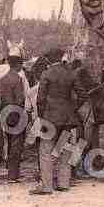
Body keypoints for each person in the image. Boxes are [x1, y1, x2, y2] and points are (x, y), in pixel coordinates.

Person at [30, 48, 80, 195]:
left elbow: (40, 99)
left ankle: (46, 186)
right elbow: (82, 95)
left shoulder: (46, 74)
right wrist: (73, 109)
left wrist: (41, 117)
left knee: (45, 152)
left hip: (49, 119)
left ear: (49, 60)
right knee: (66, 150)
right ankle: (64, 183)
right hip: (68, 119)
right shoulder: (71, 73)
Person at [0, 53, 26, 183]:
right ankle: (13, 175)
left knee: (9, 142)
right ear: (18, 65)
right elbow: (20, 99)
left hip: (4, 113)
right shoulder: (18, 79)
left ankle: (10, 170)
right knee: (17, 145)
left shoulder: (2, 79)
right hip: (16, 113)